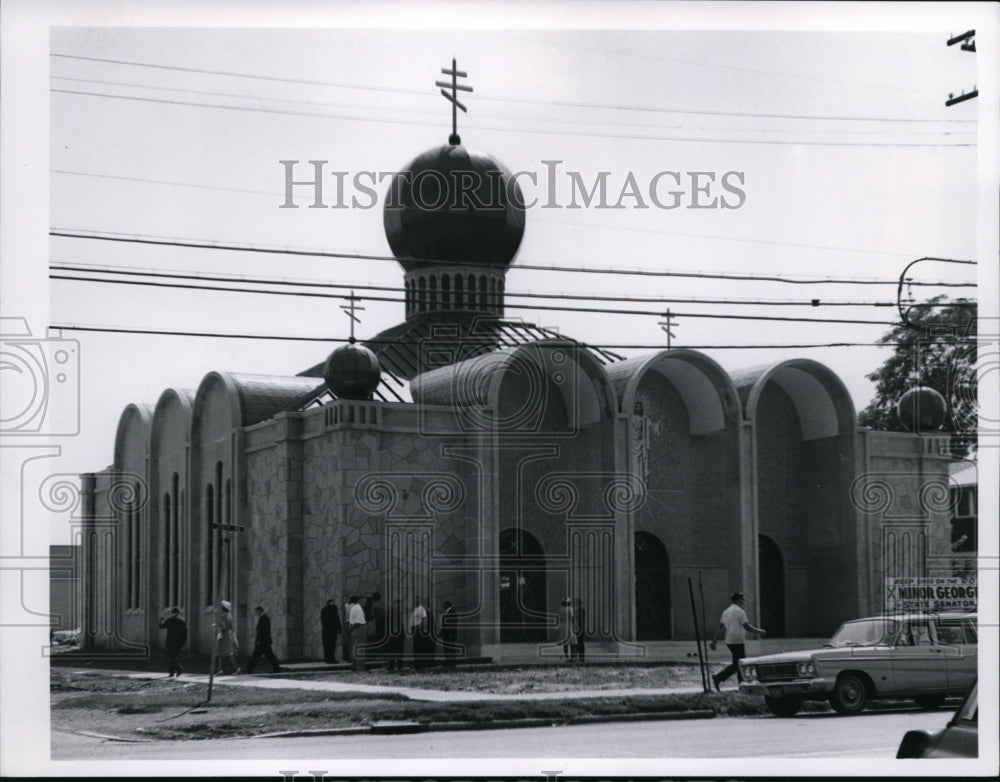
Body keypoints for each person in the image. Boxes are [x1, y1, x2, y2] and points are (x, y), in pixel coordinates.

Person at [709, 591, 765, 690]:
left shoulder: (726, 611)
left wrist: (714, 641)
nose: (742, 602)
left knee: (738, 663)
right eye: (742, 600)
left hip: (729, 641)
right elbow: (747, 626)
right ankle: (718, 678)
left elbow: (720, 627)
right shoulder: (740, 612)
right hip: (738, 640)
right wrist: (759, 631)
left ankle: (740, 684)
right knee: (739, 663)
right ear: (738, 600)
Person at [245, 605, 284, 674]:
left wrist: (259, 641)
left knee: (256, 656)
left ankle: (248, 669)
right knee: (268, 656)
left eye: (256, 612)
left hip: (263, 642)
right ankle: (276, 668)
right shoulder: (264, 618)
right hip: (265, 642)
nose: (256, 614)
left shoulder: (264, 618)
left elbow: (263, 631)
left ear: (259, 611)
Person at [158, 606, 187, 677]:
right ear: (178, 613)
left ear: (172, 613)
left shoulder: (169, 620)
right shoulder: (182, 621)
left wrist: (161, 620)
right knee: (174, 656)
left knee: (171, 657)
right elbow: (185, 633)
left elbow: (161, 626)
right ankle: (172, 672)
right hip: (179, 642)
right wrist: (183, 642)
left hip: (170, 641)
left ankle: (178, 669)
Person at [215, 600, 240, 675]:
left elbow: (224, 626)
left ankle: (236, 668)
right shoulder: (229, 615)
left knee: (225, 653)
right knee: (225, 653)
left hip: (225, 635)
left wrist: (217, 625)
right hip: (229, 634)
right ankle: (221, 669)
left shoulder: (222, 616)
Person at [409, 596, 430, 669]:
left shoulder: (421, 609)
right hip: (414, 630)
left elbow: (424, 620)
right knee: (416, 648)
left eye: (416, 601)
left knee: (420, 648)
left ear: (419, 601)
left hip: (419, 630)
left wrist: (419, 629)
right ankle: (417, 663)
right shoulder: (414, 609)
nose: (415, 602)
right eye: (414, 601)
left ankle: (421, 664)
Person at [348, 594, 368, 671]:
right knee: (361, 649)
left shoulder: (354, 608)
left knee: (355, 649)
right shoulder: (359, 609)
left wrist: (351, 629)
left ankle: (354, 665)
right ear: (360, 601)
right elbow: (358, 622)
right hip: (360, 629)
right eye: (364, 601)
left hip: (355, 630)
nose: (365, 603)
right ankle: (360, 667)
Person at [385, 597, 405, 671]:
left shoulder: (392, 612)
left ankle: (393, 665)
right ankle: (397, 665)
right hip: (395, 634)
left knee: (393, 650)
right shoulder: (392, 612)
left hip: (395, 634)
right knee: (396, 650)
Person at [320, 599, 342, 664]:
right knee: (332, 645)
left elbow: (322, 619)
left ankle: (327, 659)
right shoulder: (334, 608)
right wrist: (339, 628)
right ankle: (331, 659)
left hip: (325, 629)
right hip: (333, 629)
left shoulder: (323, 609)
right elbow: (336, 618)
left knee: (326, 645)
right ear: (332, 602)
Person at [440, 600, 458, 667]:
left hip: (450, 635)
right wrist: (441, 633)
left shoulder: (452, 613)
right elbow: (444, 625)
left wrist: (451, 634)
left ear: (448, 605)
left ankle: (452, 662)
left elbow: (453, 625)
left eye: (444, 605)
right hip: (446, 634)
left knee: (450, 649)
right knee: (447, 649)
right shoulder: (446, 613)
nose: (443, 606)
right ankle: (448, 662)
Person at [341, 594, 354, 665]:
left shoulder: (348, 606)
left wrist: (344, 600)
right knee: (351, 642)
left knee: (349, 642)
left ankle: (349, 657)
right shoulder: (352, 606)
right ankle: (350, 657)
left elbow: (345, 604)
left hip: (348, 623)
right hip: (351, 624)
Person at [573, 598, 586, 663]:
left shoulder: (581, 610)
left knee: (580, 643)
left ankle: (581, 658)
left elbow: (580, 620)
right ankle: (579, 657)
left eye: (576, 602)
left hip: (579, 629)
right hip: (577, 628)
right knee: (578, 643)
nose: (574, 603)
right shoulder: (577, 610)